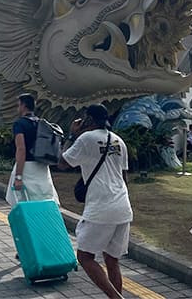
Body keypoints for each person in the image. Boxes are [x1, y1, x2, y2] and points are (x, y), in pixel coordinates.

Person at [59, 104, 133, 299]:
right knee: (112, 259)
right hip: (123, 205)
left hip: (101, 206)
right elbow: (124, 178)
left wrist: (71, 135)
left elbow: (63, 163)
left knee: (85, 257)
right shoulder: (119, 141)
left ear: (89, 119)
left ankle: (117, 298)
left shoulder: (86, 139)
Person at [5, 93, 59, 206]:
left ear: (24, 106)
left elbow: (21, 149)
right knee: (44, 201)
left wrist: (18, 177)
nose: (17, 108)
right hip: (43, 167)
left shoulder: (20, 124)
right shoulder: (42, 123)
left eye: (18, 105)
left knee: (23, 204)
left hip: (27, 168)